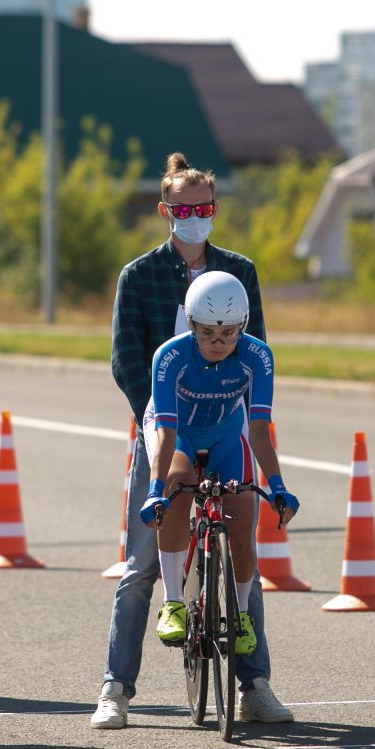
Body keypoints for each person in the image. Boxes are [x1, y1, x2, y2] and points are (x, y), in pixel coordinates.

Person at [92, 152, 294, 729]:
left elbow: (255, 352)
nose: (195, 217)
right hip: (165, 424)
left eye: (204, 208)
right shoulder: (140, 274)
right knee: (142, 563)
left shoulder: (239, 271)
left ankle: (255, 686)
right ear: (165, 211)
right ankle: (116, 689)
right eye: (184, 209)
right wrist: (161, 422)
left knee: (240, 546)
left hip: (226, 421)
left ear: (214, 209)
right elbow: (127, 358)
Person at [140, 272, 300, 656]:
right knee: (178, 484)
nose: (219, 342)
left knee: (244, 517)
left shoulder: (257, 355)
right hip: (177, 430)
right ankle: (174, 601)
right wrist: (154, 491)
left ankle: (241, 613)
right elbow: (164, 432)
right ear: (191, 325)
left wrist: (277, 486)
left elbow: (259, 428)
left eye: (230, 333)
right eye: (209, 332)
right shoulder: (171, 355)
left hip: (227, 433)